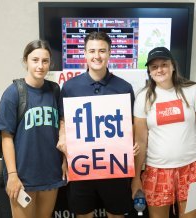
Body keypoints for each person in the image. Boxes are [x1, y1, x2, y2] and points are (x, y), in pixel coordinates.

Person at [57, 31, 138, 218]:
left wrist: (130, 146)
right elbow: (64, 121)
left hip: (115, 167)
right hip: (82, 165)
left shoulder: (124, 88)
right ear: (85, 54)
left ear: (109, 53)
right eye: (92, 51)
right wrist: (63, 148)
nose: (97, 56)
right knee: (83, 214)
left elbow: (130, 125)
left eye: (102, 51)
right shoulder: (70, 87)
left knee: (116, 214)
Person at [132, 47, 196, 218]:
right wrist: (136, 177)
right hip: (156, 170)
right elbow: (140, 140)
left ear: (173, 66)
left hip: (191, 168)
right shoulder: (143, 98)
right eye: (154, 67)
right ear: (149, 71)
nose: (159, 69)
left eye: (164, 64)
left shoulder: (193, 90)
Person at [0, 39, 66, 218]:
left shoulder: (55, 90)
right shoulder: (13, 93)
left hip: (50, 172)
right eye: (35, 60)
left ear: (50, 63)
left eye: (45, 61)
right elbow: (6, 137)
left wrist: (64, 159)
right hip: (23, 175)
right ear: (25, 61)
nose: (40, 66)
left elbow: (62, 123)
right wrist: (12, 175)